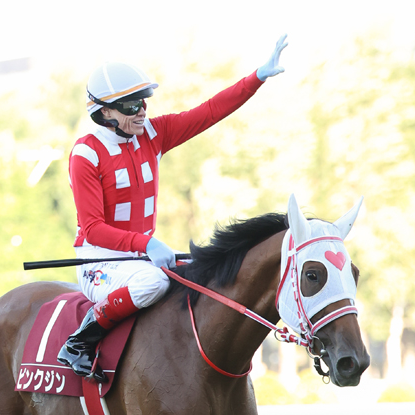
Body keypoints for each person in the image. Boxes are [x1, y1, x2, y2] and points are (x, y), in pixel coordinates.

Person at [58, 35, 289, 381]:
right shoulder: (85, 154)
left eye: (143, 102)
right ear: (105, 112)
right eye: (131, 105)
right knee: (153, 283)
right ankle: (80, 341)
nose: (142, 111)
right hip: (100, 262)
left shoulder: (154, 134)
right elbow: (92, 229)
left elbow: (208, 112)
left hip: (140, 258)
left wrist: (256, 77)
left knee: (209, 277)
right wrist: (147, 244)